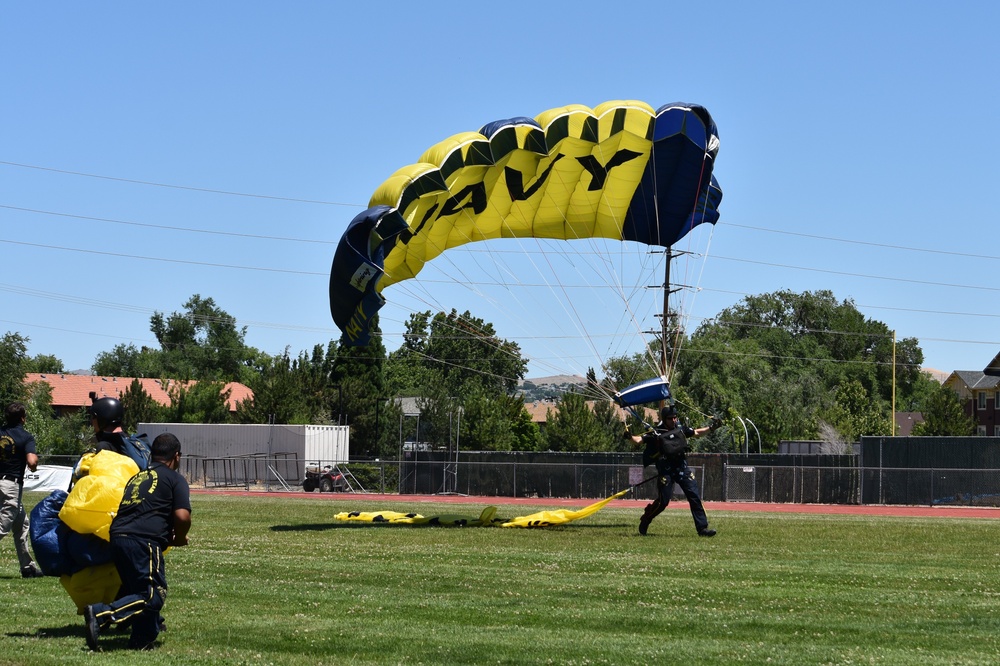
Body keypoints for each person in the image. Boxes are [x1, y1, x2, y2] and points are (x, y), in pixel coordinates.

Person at [84, 432, 191, 651]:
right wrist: (179, 538)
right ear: (177, 456)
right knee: (153, 594)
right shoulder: (175, 479)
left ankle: (142, 639)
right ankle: (102, 614)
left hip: (118, 537)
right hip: (143, 540)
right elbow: (182, 516)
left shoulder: (138, 476)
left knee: (138, 590)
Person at [632, 405, 720, 537]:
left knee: (694, 496)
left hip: (681, 467)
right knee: (663, 502)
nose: (673, 420)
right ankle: (646, 518)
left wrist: (712, 428)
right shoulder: (656, 433)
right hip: (666, 470)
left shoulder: (680, 429)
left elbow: (696, 433)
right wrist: (629, 436)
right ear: (664, 419)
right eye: (670, 418)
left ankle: (702, 528)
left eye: (674, 417)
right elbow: (638, 440)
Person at [0, 402, 44, 578]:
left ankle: (28, 568)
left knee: (22, 524)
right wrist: (33, 465)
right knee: (2, 525)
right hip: (11, 486)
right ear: (23, 418)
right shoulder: (25, 437)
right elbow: (32, 462)